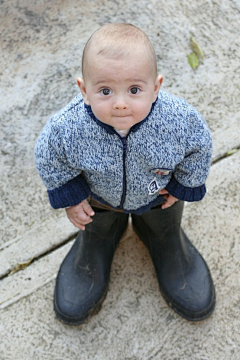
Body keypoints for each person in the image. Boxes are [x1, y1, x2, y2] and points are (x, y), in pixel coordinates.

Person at [35, 23, 215, 325]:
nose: (120, 103)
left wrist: (184, 184)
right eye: (105, 90)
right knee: (97, 220)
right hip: (99, 200)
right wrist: (71, 194)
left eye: (134, 90)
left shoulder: (178, 121)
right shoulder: (68, 128)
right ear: (84, 90)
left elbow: (200, 145)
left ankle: (163, 237)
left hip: (156, 196)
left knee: (163, 218)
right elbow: (49, 154)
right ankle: (99, 240)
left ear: (155, 87)